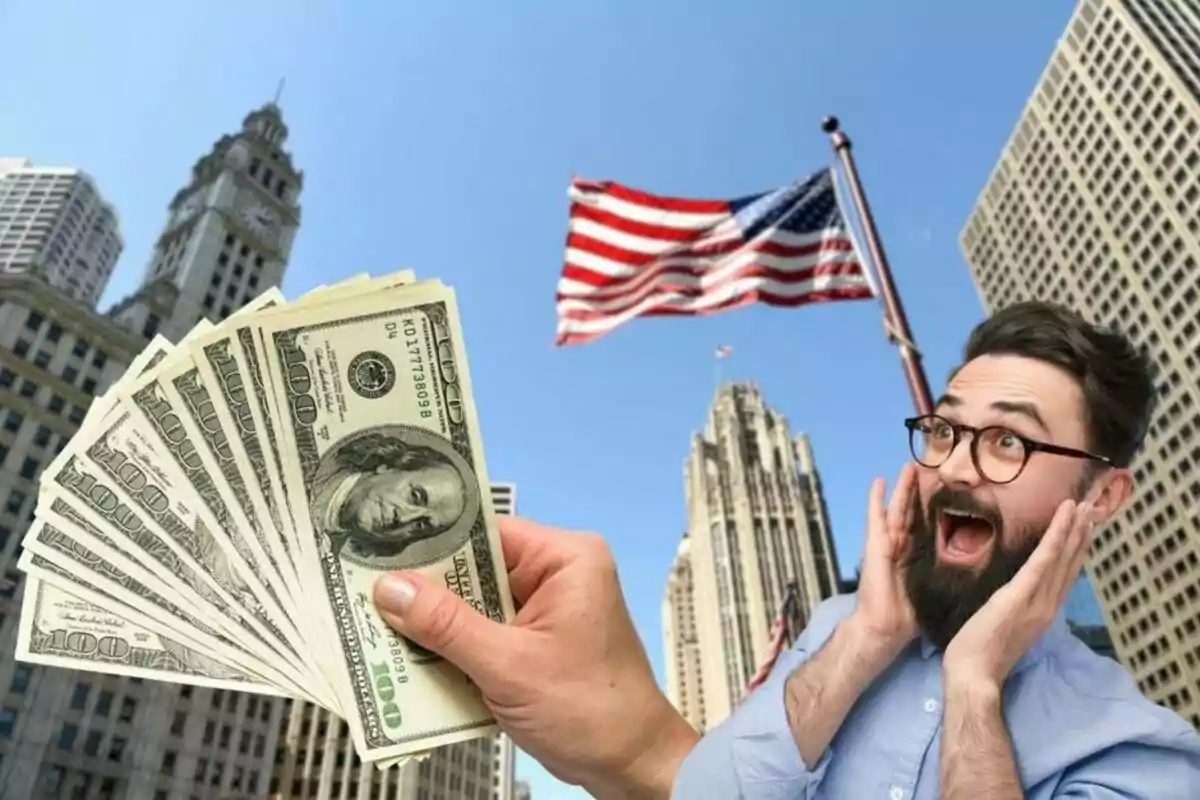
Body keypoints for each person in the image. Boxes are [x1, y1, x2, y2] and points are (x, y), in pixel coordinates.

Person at [373, 301, 1200, 798]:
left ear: (1100, 495)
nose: (953, 466)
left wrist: (975, 688)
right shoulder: (837, 633)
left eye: (1010, 443)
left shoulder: (1137, 752)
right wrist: (862, 645)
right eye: (946, 429)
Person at [311, 430, 469, 561]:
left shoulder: (322, 562)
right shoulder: (312, 458)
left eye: (421, 525)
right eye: (415, 496)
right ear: (388, 467)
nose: (403, 518)